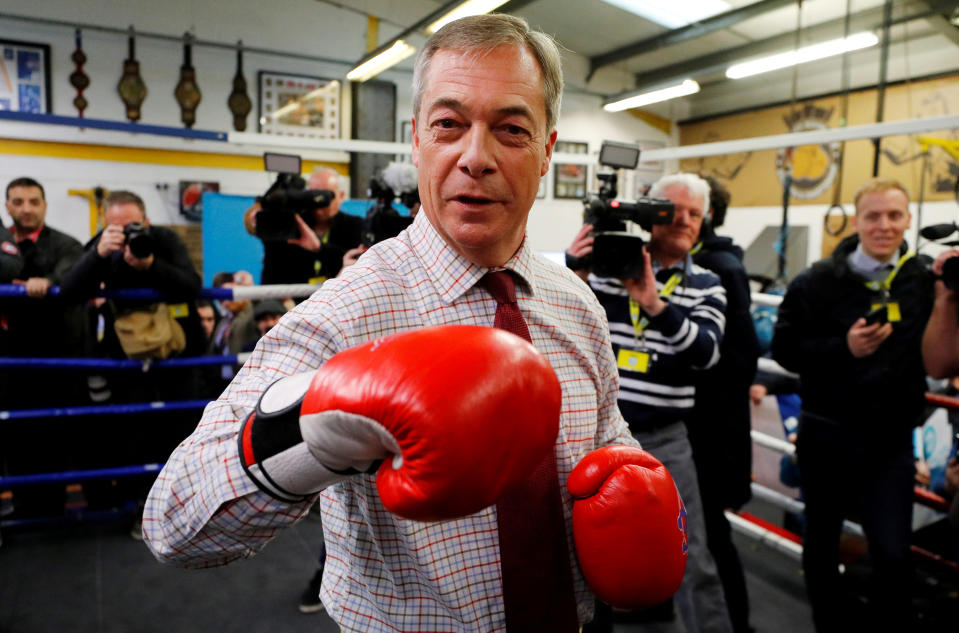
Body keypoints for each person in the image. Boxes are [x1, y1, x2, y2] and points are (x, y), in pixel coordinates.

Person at [144, 14, 688, 632]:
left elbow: (607, 433)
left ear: (546, 153)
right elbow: (173, 521)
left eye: (511, 129)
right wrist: (314, 424)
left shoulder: (575, 302)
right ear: (417, 140)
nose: (475, 157)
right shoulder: (349, 311)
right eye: (449, 125)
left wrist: (628, 473)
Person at [568, 172, 732, 633]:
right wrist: (575, 267)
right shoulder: (606, 271)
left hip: (666, 439)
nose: (682, 221)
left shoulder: (706, 284)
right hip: (600, 439)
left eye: (694, 214)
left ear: (705, 222)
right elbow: (567, 324)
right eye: (672, 210)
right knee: (592, 550)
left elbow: (707, 353)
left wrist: (657, 306)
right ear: (650, 216)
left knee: (689, 549)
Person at [772, 177, 932, 632]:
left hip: (889, 444)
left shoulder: (922, 281)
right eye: (873, 216)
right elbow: (784, 349)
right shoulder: (816, 282)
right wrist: (844, 347)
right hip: (827, 435)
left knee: (893, 552)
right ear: (856, 220)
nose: (884, 225)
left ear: (908, 220)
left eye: (894, 215)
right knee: (821, 546)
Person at [687, 175, 759, 633]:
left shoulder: (720, 270)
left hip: (708, 433)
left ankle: (735, 625)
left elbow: (740, 357)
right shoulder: (682, 265)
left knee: (710, 535)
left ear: (706, 216)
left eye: (689, 211)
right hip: (698, 427)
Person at [244, 167, 364, 284]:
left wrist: (319, 248)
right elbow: (257, 231)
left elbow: (356, 262)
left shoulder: (355, 225)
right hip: (292, 299)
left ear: (341, 196)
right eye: (312, 194)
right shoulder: (294, 221)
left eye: (324, 195)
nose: (317, 201)